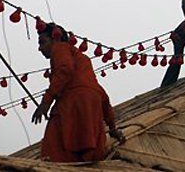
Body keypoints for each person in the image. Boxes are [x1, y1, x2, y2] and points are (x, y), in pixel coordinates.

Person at [32, 23, 125, 162]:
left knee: (54, 152)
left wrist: (46, 102)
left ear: (56, 39)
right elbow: (102, 96)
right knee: (87, 154)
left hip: (73, 104)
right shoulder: (82, 61)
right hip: (92, 106)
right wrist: (112, 128)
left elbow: (65, 69)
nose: (39, 48)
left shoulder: (60, 48)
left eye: (42, 42)